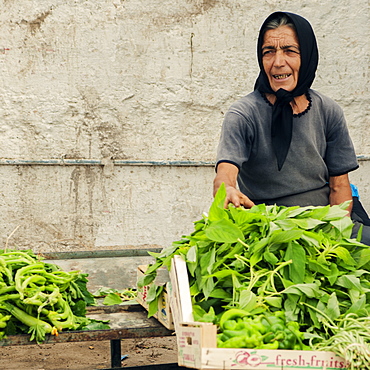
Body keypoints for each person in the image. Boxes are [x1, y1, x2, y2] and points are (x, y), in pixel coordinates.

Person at [213, 11, 370, 245]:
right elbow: (225, 172)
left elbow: (339, 187)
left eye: (289, 51)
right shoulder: (244, 114)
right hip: (271, 230)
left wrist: (334, 240)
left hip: (324, 221)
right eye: (269, 52)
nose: (278, 63)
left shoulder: (328, 110)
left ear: (306, 56)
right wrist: (225, 190)